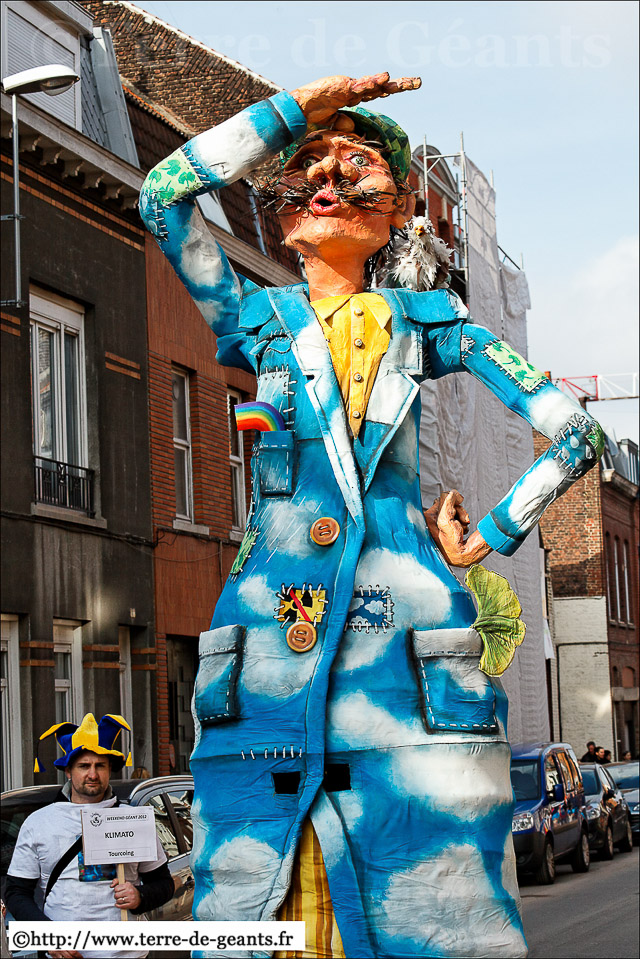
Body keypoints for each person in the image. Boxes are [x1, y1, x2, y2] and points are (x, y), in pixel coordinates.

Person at [140, 72, 603, 959]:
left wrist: (493, 532)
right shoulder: (257, 321)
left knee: (426, 898)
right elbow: (163, 193)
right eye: (309, 161)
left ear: (399, 212)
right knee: (260, 890)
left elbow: (579, 434)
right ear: (278, 209)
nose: (327, 174)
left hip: (402, 661)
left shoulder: (431, 325)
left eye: (358, 165)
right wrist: (298, 107)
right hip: (268, 657)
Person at [4, 713, 174, 959]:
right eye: (84, 766)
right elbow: (16, 893)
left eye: (100, 766)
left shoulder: (133, 820)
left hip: (127, 954)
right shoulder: (38, 823)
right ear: (68, 771)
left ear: (109, 770)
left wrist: (140, 896)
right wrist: (46, 936)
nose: (92, 774)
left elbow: (164, 884)